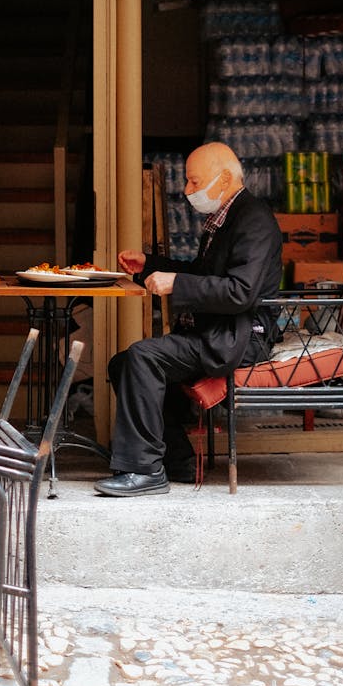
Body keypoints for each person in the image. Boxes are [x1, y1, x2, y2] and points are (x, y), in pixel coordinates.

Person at [94, 142, 282, 497]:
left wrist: (176, 283)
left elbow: (239, 292)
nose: (187, 191)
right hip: (216, 329)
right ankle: (177, 461)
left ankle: (144, 469)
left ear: (224, 179)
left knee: (142, 357)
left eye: (194, 182)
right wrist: (148, 266)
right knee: (123, 364)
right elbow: (202, 273)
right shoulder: (226, 218)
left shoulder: (254, 220)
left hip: (239, 337)